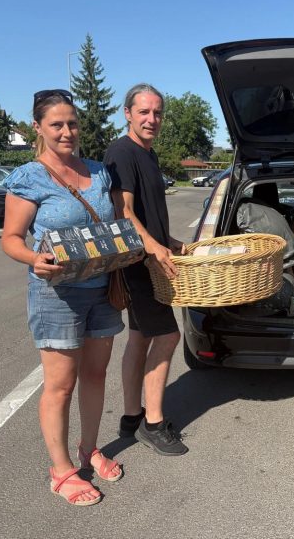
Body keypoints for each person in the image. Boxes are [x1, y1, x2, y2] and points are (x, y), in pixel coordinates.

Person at [1, 89, 124, 506]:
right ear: (38, 127)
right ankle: (60, 469)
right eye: (56, 124)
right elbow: (11, 238)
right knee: (60, 385)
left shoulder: (99, 172)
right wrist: (34, 259)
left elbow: (114, 223)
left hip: (102, 289)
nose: (66, 131)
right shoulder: (29, 177)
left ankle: (89, 449)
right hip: (56, 294)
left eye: (72, 123)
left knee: (96, 375)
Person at [103, 84, 188, 456]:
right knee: (168, 336)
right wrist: (152, 247)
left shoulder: (148, 154)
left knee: (139, 338)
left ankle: (130, 417)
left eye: (157, 113)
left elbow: (147, 213)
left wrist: (167, 240)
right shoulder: (122, 152)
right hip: (140, 264)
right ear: (127, 113)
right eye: (143, 112)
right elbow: (122, 211)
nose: (151, 119)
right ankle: (153, 424)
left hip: (149, 257)